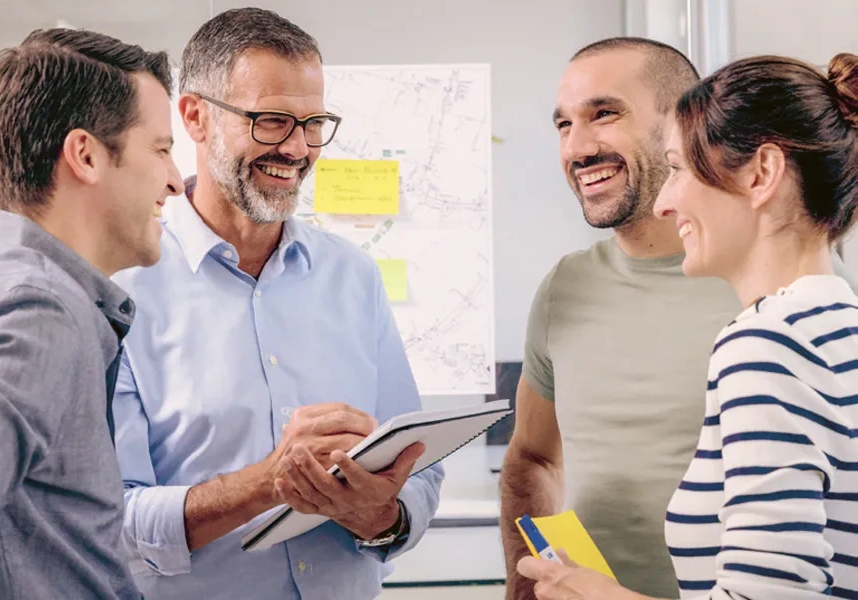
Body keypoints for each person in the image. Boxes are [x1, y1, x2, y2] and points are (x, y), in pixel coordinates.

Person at [499, 37, 858, 600]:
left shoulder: (765, 342)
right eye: (563, 125)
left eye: (680, 167)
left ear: (761, 173)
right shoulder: (834, 319)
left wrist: (593, 593)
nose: (668, 200)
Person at [109, 8, 443, 600]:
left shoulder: (353, 276)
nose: (297, 149)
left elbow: (420, 468)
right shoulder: (123, 289)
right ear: (196, 117)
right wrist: (267, 484)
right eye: (271, 121)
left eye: (314, 123)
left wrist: (381, 516)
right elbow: (114, 518)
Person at [0, 28, 182, 600]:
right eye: (160, 150)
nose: (176, 180)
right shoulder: (39, 310)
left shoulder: (1, 280)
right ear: (86, 155)